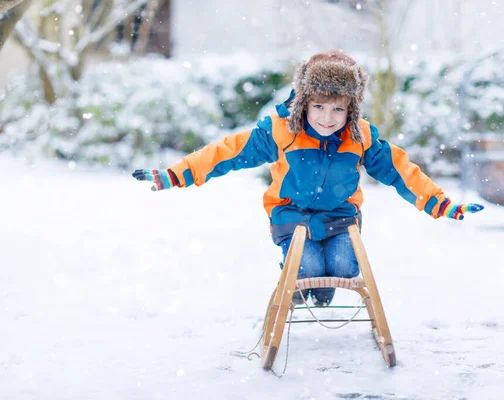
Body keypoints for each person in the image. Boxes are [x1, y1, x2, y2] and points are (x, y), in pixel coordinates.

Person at [132, 49, 484, 307]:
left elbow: (403, 172)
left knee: (344, 267)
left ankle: (318, 282)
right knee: (311, 266)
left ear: (351, 109)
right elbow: (226, 152)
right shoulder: (280, 132)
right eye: (318, 106)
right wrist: (175, 174)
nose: (327, 118)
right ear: (304, 103)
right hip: (292, 216)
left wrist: (443, 204)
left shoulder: (360, 138)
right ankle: (300, 273)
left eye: (337, 109)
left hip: (341, 217)